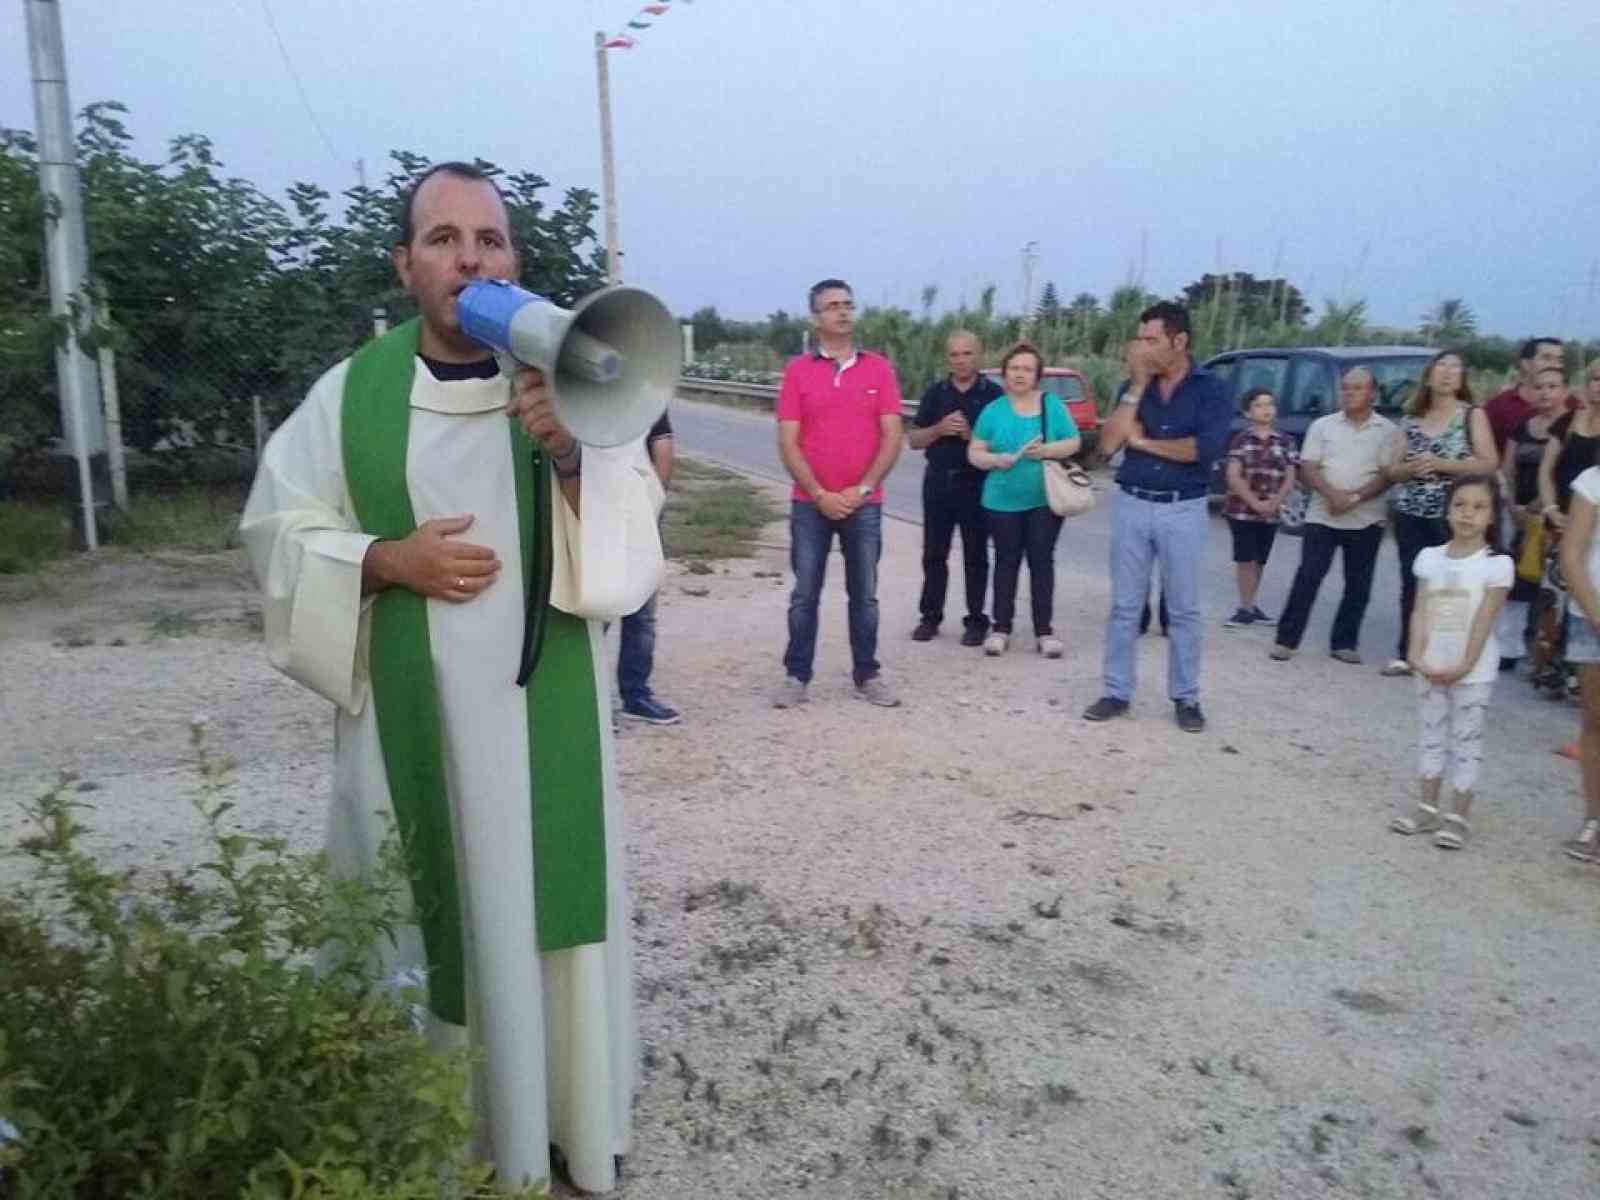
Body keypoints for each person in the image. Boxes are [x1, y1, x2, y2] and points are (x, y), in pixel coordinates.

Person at [239, 163, 660, 1194]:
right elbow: (274, 531)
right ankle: (430, 1122)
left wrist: (574, 459)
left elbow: (632, 536)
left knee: (540, 898)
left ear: (513, 261)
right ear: (404, 265)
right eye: (443, 239)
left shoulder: (567, 382)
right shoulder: (350, 397)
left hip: (541, 717)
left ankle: (558, 1117)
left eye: (491, 240)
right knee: (426, 898)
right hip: (413, 727)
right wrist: (385, 561)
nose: (470, 258)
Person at [1082, 302, 1232, 732]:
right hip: (1132, 503)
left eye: (1152, 340)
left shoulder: (1212, 390)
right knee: (1125, 607)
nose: (1142, 348)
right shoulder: (1135, 386)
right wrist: (1136, 385)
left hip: (1183, 508)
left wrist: (1143, 444)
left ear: (1179, 341)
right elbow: (1108, 446)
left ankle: (1186, 697)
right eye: (1140, 339)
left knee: (1183, 610)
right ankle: (1116, 692)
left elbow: (1201, 451)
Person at [773, 278, 904, 708]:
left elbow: (891, 436)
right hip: (810, 504)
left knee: (864, 594)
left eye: (848, 304)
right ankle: (797, 675)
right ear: (815, 318)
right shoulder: (797, 372)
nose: (843, 312)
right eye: (832, 306)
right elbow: (789, 442)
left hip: (864, 504)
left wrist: (861, 489)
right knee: (804, 593)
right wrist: (819, 493)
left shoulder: (879, 369)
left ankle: (867, 674)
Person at [1388, 476, 1512, 849]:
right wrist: (1415, 653)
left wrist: (1465, 665)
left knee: (1466, 739)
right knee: (1430, 734)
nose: (1468, 514)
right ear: (1447, 509)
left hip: (1471, 670)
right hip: (1430, 662)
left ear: (1492, 516)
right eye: (1460, 504)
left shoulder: (1497, 565)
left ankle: (1458, 815)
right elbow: (1420, 608)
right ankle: (1427, 806)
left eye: (1478, 507)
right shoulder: (1430, 558)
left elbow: (1484, 619)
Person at [1379, 350, 1498, 677]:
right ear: (1429, 376)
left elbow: (1488, 462)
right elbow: (1391, 469)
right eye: (1441, 366)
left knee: (1454, 582)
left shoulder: (1472, 415)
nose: (1447, 373)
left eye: (1455, 367)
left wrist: (1445, 465)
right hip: (1411, 511)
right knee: (1414, 580)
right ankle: (1408, 652)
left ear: (1461, 378)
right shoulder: (1410, 418)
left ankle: (1451, 655)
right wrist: (1408, 469)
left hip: (1456, 517)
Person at [1270, 368, 1397, 663]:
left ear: (1373, 393)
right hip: (1322, 515)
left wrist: (1353, 498)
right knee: (1308, 576)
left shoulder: (1388, 431)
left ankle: (1344, 643)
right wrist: (1331, 494)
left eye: (1357, 388)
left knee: (1358, 584)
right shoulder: (1323, 426)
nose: (1349, 393)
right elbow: (1309, 466)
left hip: (1366, 517)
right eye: (1345, 388)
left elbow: (1387, 475)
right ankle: (1286, 640)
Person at [966, 341, 1081, 656]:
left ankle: (1044, 632)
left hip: (1044, 498)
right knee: (1006, 561)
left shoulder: (1052, 405)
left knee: (1042, 562)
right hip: (1000, 499)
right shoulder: (993, 410)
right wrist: (994, 460)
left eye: (1027, 369)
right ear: (1005, 373)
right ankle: (1001, 628)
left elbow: (1073, 441)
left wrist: (1045, 451)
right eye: (1014, 368)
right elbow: (974, 451)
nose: (1020, 374)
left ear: (1037, 375)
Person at [907, 331, 1004, 645]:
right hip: (938, 480)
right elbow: (913, 440)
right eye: (954, 355)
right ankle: (930, 617)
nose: (961, 361)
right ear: (946, 358)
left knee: (976, 554)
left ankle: (976, 621)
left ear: (978, 356)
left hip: (975, 482)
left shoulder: (993, 395)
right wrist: (938, 429)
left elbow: (1002, 445)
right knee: (934, 553)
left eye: (967, 354)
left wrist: (970, 436)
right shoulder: (936, 393)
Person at [1528, 359, 1600, 699]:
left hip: (1594, 532)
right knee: (1553, 605)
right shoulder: (1568, 422)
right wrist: (1551, 508)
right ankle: (1550, 673)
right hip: (1560, 524)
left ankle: (1580, 683)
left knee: (1587, 603)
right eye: (1596, 378)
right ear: (1586, 384)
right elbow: (1546, 470)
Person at [1496, 366, 1566, 671]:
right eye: (1539, 387)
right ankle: (1509, 647)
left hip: (1555, 517)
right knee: (1517, 582)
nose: (1545, 392)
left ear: (1565, 390)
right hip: (1521, 518)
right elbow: (1508, 469)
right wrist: (1513, 508)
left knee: (1551, 588)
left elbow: (1560, 473)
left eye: (1552, 386)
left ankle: (1546, 656)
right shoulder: (1522, 425)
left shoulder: (1571, 427)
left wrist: (1539, 506)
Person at [617, 411, 680, 724]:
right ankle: (592, 700)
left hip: (642, 510)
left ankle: (636, 694)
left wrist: (654, 503)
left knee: (642, 610)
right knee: (595, 610)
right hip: (595, 509)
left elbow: (663, 445)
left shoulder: (643, 396)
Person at [1221, 388, 1298, 627]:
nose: (1266, 409)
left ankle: (1252, 604)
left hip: (1271, 510)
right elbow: (1233, 475)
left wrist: (1274, 502)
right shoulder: (1241, 440)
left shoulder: (1285, 441)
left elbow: (1290, 475)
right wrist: (1254, 502)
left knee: (1260, 559)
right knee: (1246, 558)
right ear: (1248, 412)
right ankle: (1244, 608)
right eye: (1259, 405)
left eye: (1270, 404)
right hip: (1242, 510)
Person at [1558, 458, 1600, 862]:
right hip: (1593, 615)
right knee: (1596, 721)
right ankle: (1594, 820)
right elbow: (1572, 556)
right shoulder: (1591, 481)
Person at [1484, 336, 1567, 452]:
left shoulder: (1573, 404)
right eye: (1547, 358)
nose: (1556, 365)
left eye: (1560, 360)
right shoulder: (1499, 406)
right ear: (1526, 364)